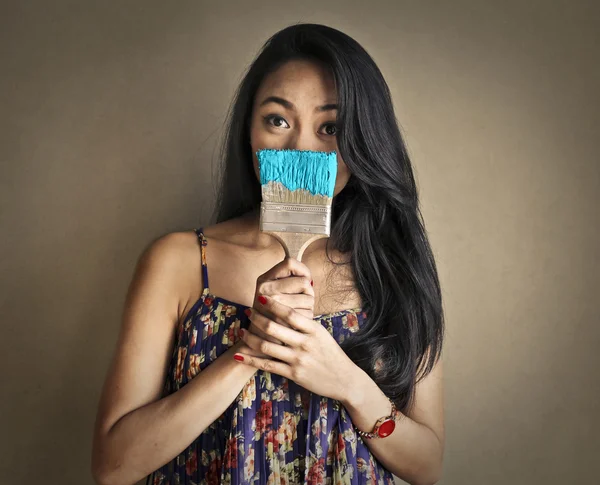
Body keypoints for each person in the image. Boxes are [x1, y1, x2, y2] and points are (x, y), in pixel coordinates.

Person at [91, 23, 445, 485]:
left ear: (363, 139)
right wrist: (250, 350)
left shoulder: (395, 269)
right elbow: (112, 468)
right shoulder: (176, 261)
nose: (301, 146)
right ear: (249, 131)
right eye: (278, 120)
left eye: (331, 127)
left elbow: (428, 466)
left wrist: (349, 383)